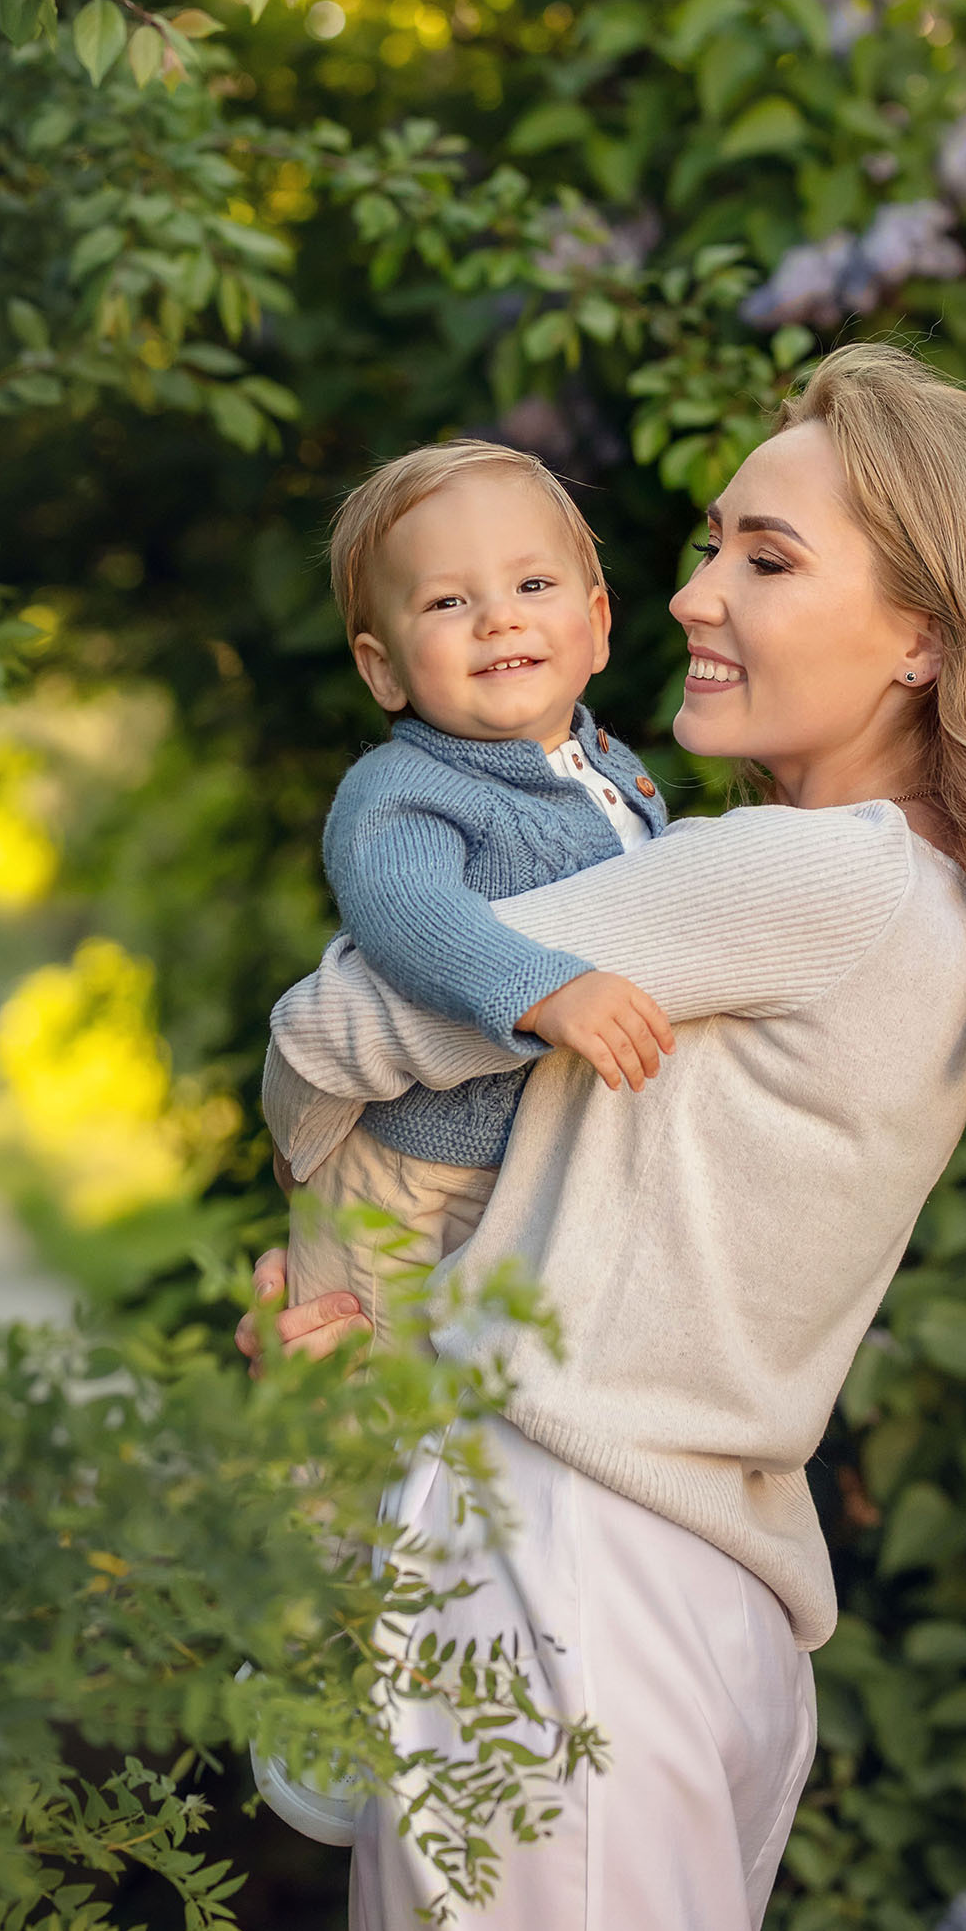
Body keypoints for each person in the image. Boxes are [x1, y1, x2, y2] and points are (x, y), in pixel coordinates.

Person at [242, 342, 966, 1931]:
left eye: (766, 556)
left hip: (569, 1574)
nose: (690, 592)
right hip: (706, 1594)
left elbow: (326, 1030)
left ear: (925, 637)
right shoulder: (924, 901)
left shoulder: (790, 874)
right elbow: (600, 1213)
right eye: (712, 545)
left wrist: (321, 1213)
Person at [285, 439, 672, 1355]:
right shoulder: (404, 788)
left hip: (529, 1171)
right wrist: (544, 986)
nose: (499, 620)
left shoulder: (612, 767)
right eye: (449, 601)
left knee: (479, 1403)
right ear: (383, 670)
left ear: (599, 622)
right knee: (366, 1396)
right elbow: (410, 915)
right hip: (413, 1179)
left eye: (533, 587)